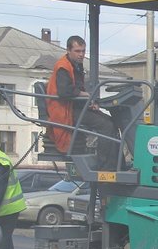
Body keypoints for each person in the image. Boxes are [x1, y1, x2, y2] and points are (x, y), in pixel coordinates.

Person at [46, 35, 119, 168]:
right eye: (77, 51)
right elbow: (65, 91)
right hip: (65, 110)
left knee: (113, 122)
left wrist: (90, 103)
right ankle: (104, 165)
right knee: (106, 126)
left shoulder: (77, 66)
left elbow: (77, 89)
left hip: (76, 107)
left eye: (83, 51)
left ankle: (116, 163)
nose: (81, 55)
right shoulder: (63, 67)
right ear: (68, 50)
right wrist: (83, 94)